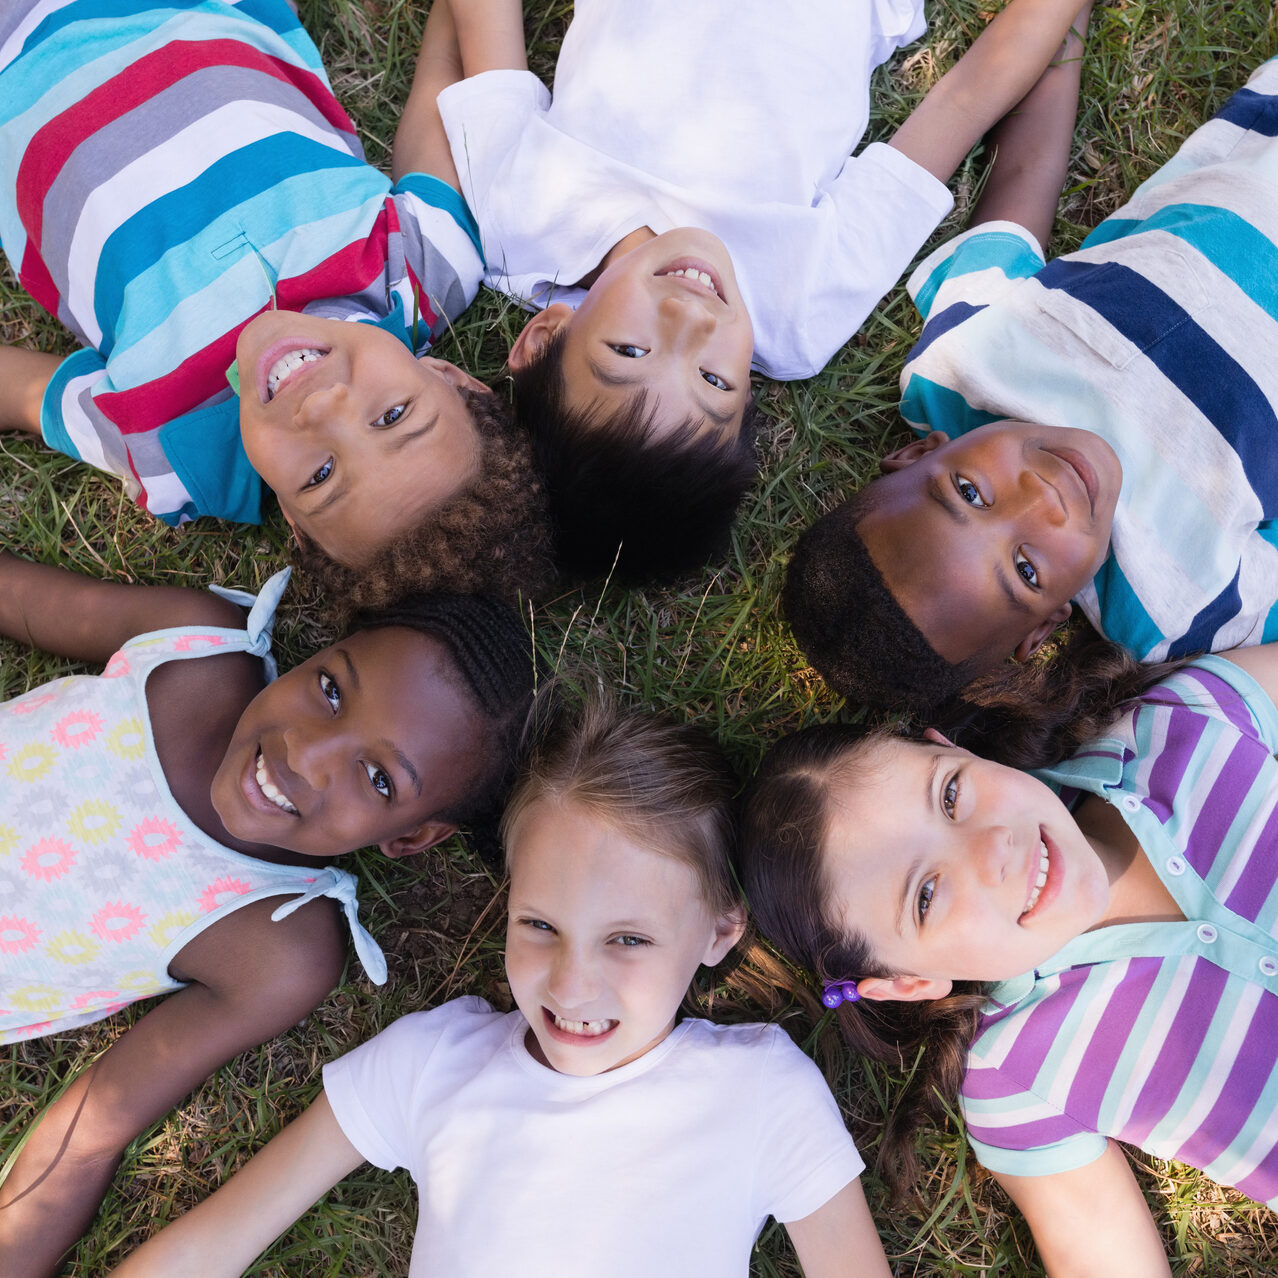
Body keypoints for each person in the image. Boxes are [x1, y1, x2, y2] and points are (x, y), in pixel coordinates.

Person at [108, 696, 892, 1278]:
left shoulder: (757, 1087)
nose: (571, 984)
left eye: (628, 940)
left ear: (720, 933)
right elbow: (216, 1242)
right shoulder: (431, 1061)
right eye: (539, 926)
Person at [0, 551, 536, 1278]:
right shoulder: (193, 645)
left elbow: (93, 1126)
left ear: (408, 838)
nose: (304, 753)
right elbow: (24, 600)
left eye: (378, 777)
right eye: (330, 689)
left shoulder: (276, 941)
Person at [432, 0, 1095, 582]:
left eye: (629, 351)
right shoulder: (796, 311)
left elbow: (488, 28)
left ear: (546, 335)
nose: (690, 321)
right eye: (716, 383)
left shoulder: (519, 218)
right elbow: (963, 101)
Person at [738, 634, 1278, 1277]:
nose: (992, 847)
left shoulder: (1182, 725)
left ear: (952, 748)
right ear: (909, 982)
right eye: (927, 895)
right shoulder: (1016, 1076)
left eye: (950, 796)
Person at [0, 0, 551, 612]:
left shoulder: (170, 453)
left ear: (291, 518)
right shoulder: (425, 271)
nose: (321, 407)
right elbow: (445, 92)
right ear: (453, 379)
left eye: (320, 477)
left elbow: (23, 390)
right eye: (393, 416)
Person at [785, 36, 1278, 714]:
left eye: (969, 491)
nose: (1042, 499)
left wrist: (1061, 27)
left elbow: (1025, 177)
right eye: (1025, 569)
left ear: (920, 452)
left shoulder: (962, 366)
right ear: (1044, 626)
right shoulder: (1179, 612)